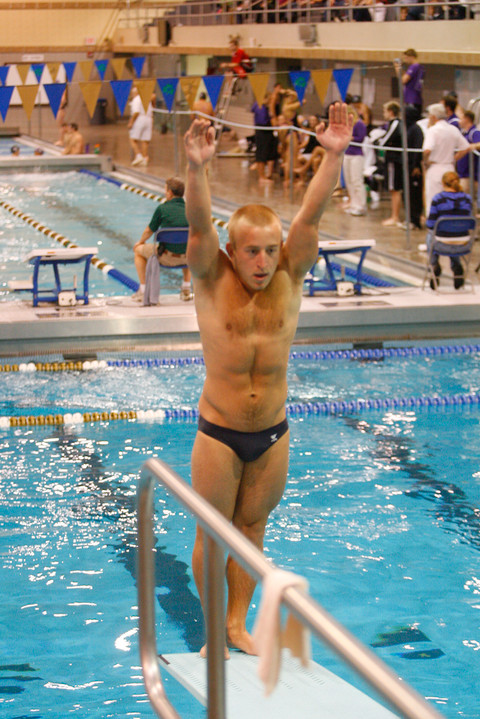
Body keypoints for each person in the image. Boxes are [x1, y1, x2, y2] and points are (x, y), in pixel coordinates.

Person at [183, 104, 354, 657]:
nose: (262, 261)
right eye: (252, 250)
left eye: (270, 249)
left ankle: (237, 623)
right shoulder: (211, 276)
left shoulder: (289, 274)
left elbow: (310, 216)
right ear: (232, 251)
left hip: (274, 432)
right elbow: (197, 220)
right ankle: (213, 629)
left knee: (252, 532)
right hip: (219, 432)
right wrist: (197, 167)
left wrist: (332, 154)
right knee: (214, 532)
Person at [132, 177, 193, 303]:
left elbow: (149, 230)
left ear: (170, 193)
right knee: (187, 245)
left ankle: (143, 290)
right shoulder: (191, 210)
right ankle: (186, 289)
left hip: (166, 257)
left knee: (138, 251)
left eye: (165, 190)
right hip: (189, 259)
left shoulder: (162, 209)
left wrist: (140, 242)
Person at [425, 170, 472, 290]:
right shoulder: (467, 199)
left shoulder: (438, 199)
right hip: (464, 244)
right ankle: (456, 265)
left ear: (443, 183)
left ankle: (434, 265)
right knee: (454, 232)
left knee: (432, 234)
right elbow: (470, 223)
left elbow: (430, 224)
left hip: (441, 244)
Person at [422, 103, 470, 215]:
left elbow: (427, 150)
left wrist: (425, 161)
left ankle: (433, 226)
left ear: (433, 116)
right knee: (451, 200)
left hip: (435, 167)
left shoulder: (433, 130)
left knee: (433, 199)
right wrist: (454, 159)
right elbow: (466, 147)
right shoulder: (453, 129)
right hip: (449, 167)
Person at [378, 101, 403, 226]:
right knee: (394, 188)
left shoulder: (396, 123)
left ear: (391, 112)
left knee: (394, 189)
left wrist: (378, 142)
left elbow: (385, 141)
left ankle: (395, 217)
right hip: (393, 159)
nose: (384, 114)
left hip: (394, 160)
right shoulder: (393, 123)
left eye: (385, 111)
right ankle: (394, 216)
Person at [342, 106, 367, 216]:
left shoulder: (359, 124)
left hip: (357, 155)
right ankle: (353, 202)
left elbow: (360, 138)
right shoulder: (347, 125)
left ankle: (361, 205)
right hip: (347, 154)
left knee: (356, 180)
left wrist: (350, 138)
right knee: (349, 180)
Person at [251, 93, 278, 183]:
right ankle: (261, 176)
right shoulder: (263, 107)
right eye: (271, 99)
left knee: (267, 153)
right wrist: (271, 109)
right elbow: (270, 122)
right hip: (263, 132)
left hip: (264, 132)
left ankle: (265, 175)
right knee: (261, 154)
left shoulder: (258, 105)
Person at [128, 86, 154, 167]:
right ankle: (145, 158)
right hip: (149, 119)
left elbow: (136, 112)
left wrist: (131, 122)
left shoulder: (136, 99)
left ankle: (138, 155)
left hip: (140, 119)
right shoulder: (146, 99)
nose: (132, 95)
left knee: (132, 139)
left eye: (132, 93)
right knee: (145, 140)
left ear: (135, 93)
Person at [456, 109, 480, 194]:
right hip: (462, 173)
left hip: (470, 175)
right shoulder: (464, 133)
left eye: (461, 118)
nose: (459, 121)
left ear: (467, 119)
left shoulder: (474, 132)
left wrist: (471, 146)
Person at [398, 49, 425, 120]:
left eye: (406, 58)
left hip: (411, 99)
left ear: (411, 56)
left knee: (409, 120)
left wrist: (397, 68)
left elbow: (403, 80)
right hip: (416, 98)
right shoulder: (420, 67)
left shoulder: (414, 67)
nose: (405, 60)